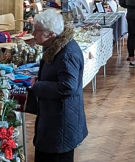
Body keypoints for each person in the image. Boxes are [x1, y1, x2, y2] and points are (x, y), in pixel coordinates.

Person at [28, 10, 87, 162]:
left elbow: (68, 86)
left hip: (61, 121)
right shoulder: (53, 46)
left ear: (51, 33)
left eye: (37, 30)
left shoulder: (66, 53)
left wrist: (39, 86)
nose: (33, 33)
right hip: (54, 118)